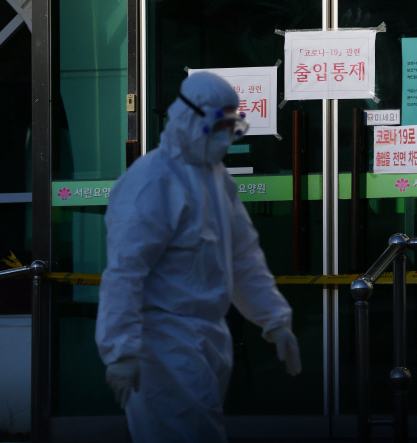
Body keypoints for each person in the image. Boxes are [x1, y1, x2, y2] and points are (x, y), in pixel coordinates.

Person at [95, 71, 301, 443]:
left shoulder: (216, 178)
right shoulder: (152, 181)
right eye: (218, 126)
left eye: (232, 126)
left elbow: (242, 257)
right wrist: (120, 349)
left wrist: (274, 318)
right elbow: (125, 273)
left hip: (208, 338)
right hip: (161, 346)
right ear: (191, 119)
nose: (225, 138)